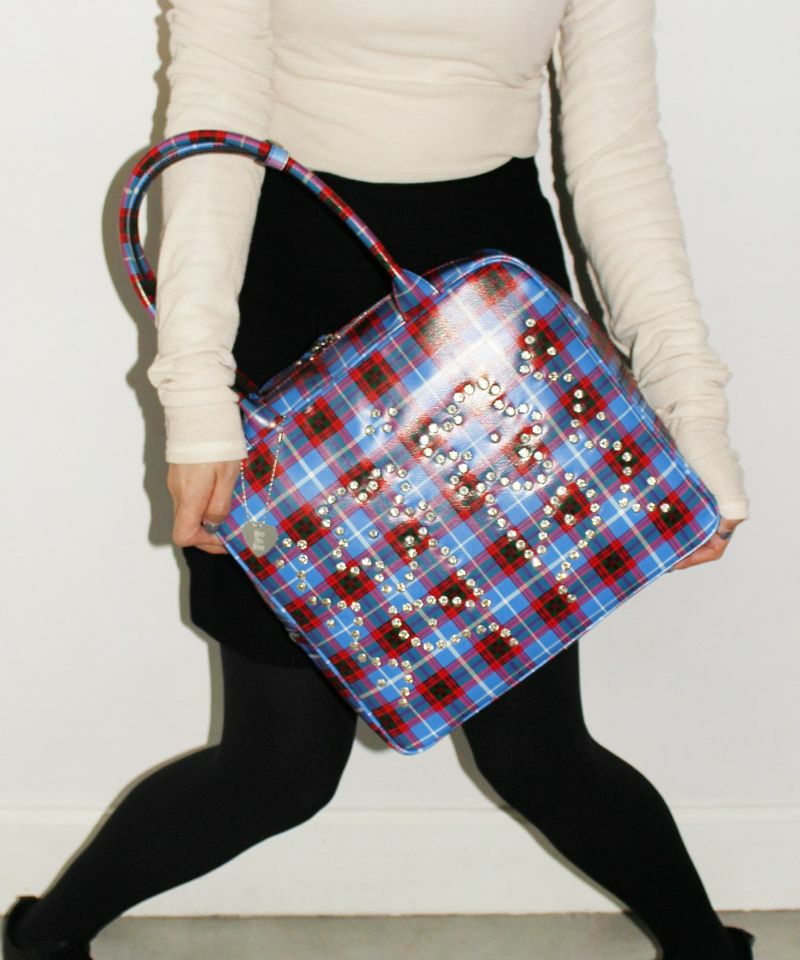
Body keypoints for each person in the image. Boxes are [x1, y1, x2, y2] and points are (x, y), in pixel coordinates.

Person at [3, 2, 755, 959]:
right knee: (279, 765)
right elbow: (214, 126)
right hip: (288, 304)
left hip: (488, 332)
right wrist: (197, 397)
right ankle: (43, 942)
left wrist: (693, 409)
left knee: (535, 749)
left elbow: (616, 157)